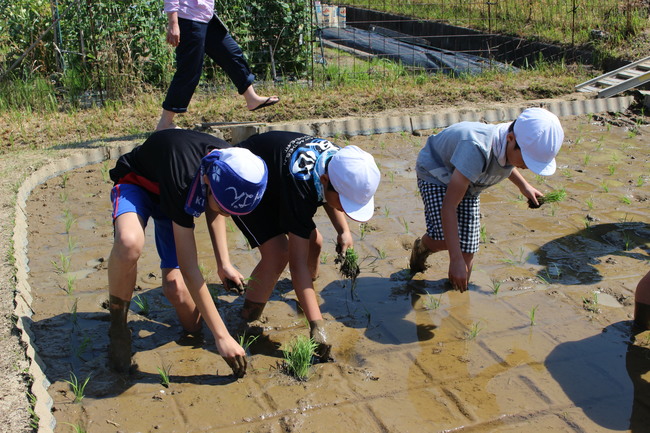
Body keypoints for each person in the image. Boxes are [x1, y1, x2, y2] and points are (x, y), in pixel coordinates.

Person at [107, 128, 268, 377]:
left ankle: (195, 328)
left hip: (173, 200)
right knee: (130, 244)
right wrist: (222, 336)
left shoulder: (230, 162)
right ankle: (118, 324)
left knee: (177, 292)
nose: (227, 215)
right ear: (207, 182)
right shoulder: (185, 178)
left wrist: (223, 263)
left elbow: (216, 208)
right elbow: (190, 268)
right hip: (138, 184)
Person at [231, 131, 380, 359]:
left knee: (315, 242)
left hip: (278, 178)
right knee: (278, 253)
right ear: (325, 181)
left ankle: (305, 292)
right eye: (345, 203)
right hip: (243, 180)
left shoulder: (339, 162)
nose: (346, 210)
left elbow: (329, 194)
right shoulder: (301, 186)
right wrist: (316, 325)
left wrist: (343, 231)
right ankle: (246, 317)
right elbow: (297, 263)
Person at [409, 107, 564, 292]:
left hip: (469, 181)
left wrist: (524, 186)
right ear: (510, 139)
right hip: (437, 172)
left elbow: (506, 163)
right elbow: (449, 207)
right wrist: (454, 259)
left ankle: (458, 298)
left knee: (468, 249)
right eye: (527, 161)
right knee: (444, 239)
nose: (528, 167)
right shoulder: (476, 148)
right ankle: (421, 247)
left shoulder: (511, 143)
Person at [157, 0, 279, 131]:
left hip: (207, 17)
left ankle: (252, 99)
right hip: (189, 19)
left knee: (231, 54)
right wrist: (173, 23)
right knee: (189, 72)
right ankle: (165, 123)